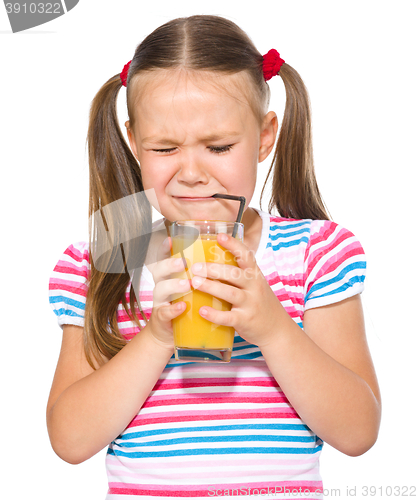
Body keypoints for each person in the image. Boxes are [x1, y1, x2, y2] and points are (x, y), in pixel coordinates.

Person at [47, 15, 381, 500]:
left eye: (219, 146)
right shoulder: (106, 255)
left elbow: (357, 432)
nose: (192, 173)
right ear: (134, 142)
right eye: (164, 147)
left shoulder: (315, 252)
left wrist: (271, 325)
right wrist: (158, 335)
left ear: (265, 136)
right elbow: (70, 440)